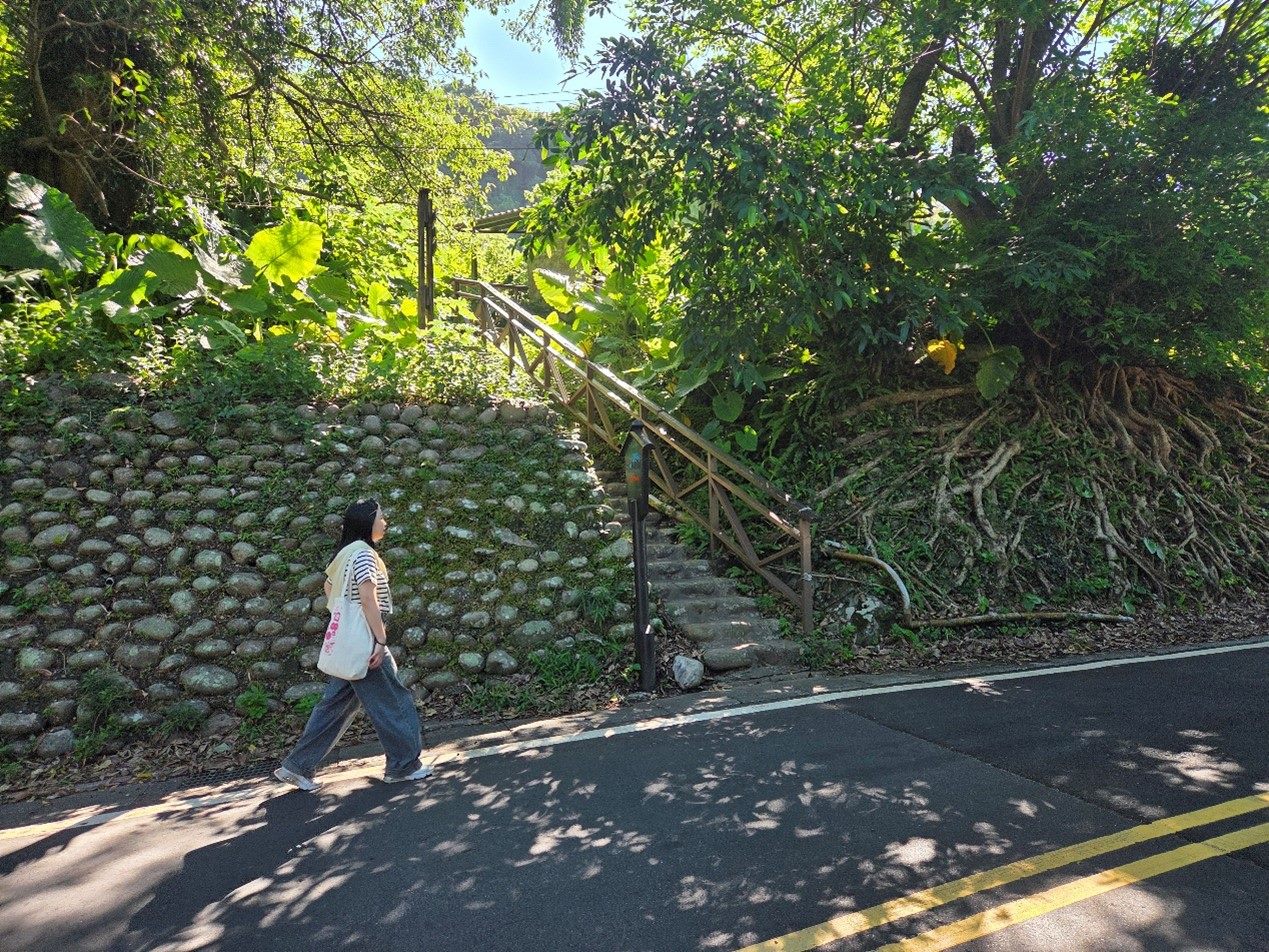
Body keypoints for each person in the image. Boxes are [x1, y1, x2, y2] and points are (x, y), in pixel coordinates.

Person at [274, 498, 431, 791]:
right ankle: (404, 766)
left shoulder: (345, 554)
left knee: (334, 706)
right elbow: (367, 596)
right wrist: (379, 638)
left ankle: (298, 767)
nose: (385, 523)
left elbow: (328, 588)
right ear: (367, 522)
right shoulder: (364, 556)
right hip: (367, 639)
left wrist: (345, 622)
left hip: (348, 641)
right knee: (393, 702)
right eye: (381, 517)